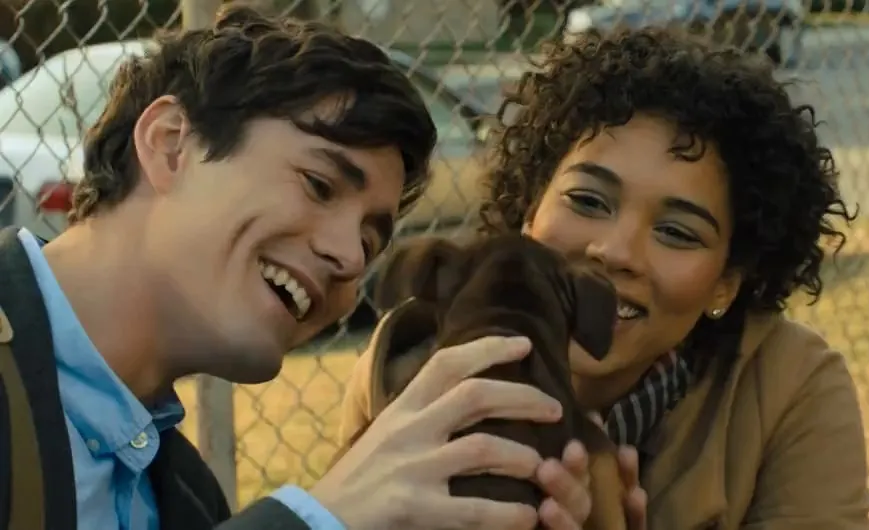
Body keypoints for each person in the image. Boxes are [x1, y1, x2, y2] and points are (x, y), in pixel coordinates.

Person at [0, 5, 629, 529]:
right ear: (171, 145)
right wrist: (316, 519)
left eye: (371, 240)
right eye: (319, 184)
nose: (350, 258)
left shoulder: (183, 497)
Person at [341, 27, 869, 528]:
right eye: (588, 200)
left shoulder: (786, 389)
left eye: (677, 232)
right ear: (530, 211)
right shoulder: (407, 370)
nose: (615, 251)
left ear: (726, 284)